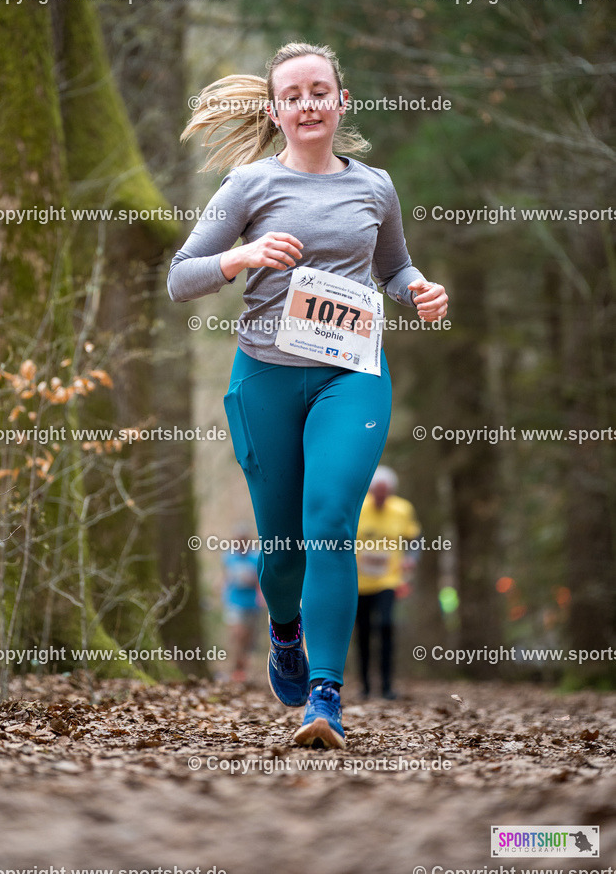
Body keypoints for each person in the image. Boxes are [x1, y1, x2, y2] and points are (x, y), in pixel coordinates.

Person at [168, 41, 448, 749]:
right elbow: (182, 276)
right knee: (283, 546)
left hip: (349, 375)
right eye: (292, 95)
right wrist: (243, 255)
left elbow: (394, 267)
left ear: (340, 100)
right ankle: (284, 632)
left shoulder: (373, 186)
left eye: (319, 90)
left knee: (328, 526)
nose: (308, 104)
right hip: (264, 376)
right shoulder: (247, 186)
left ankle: (324, 699)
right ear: (276, 110)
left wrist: (417, 290)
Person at [355, 466, 420, 700]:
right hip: (360, 582)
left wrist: (411, 559)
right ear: (370, 490)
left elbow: (415, 539)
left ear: (391, 491)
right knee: (362, 631)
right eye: (376, 493)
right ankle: (364, 685)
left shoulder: (402, 509)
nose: (380, 497)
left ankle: (387, 686)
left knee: (385, 625)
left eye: (385, 493)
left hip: (388, 580)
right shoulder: (358, 508)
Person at [222, 524, 263, 681]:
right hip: (233, 601)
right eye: (238, 540)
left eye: (243, 540)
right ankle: (235, 667)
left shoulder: (256, 556)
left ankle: (241, 669)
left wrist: (253, 582)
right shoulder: (228, 557)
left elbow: (262, 579)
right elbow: (225, 576)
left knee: (248, 638)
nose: (240, 543)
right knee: (237, 633)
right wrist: (220, 587)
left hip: (252, 602)